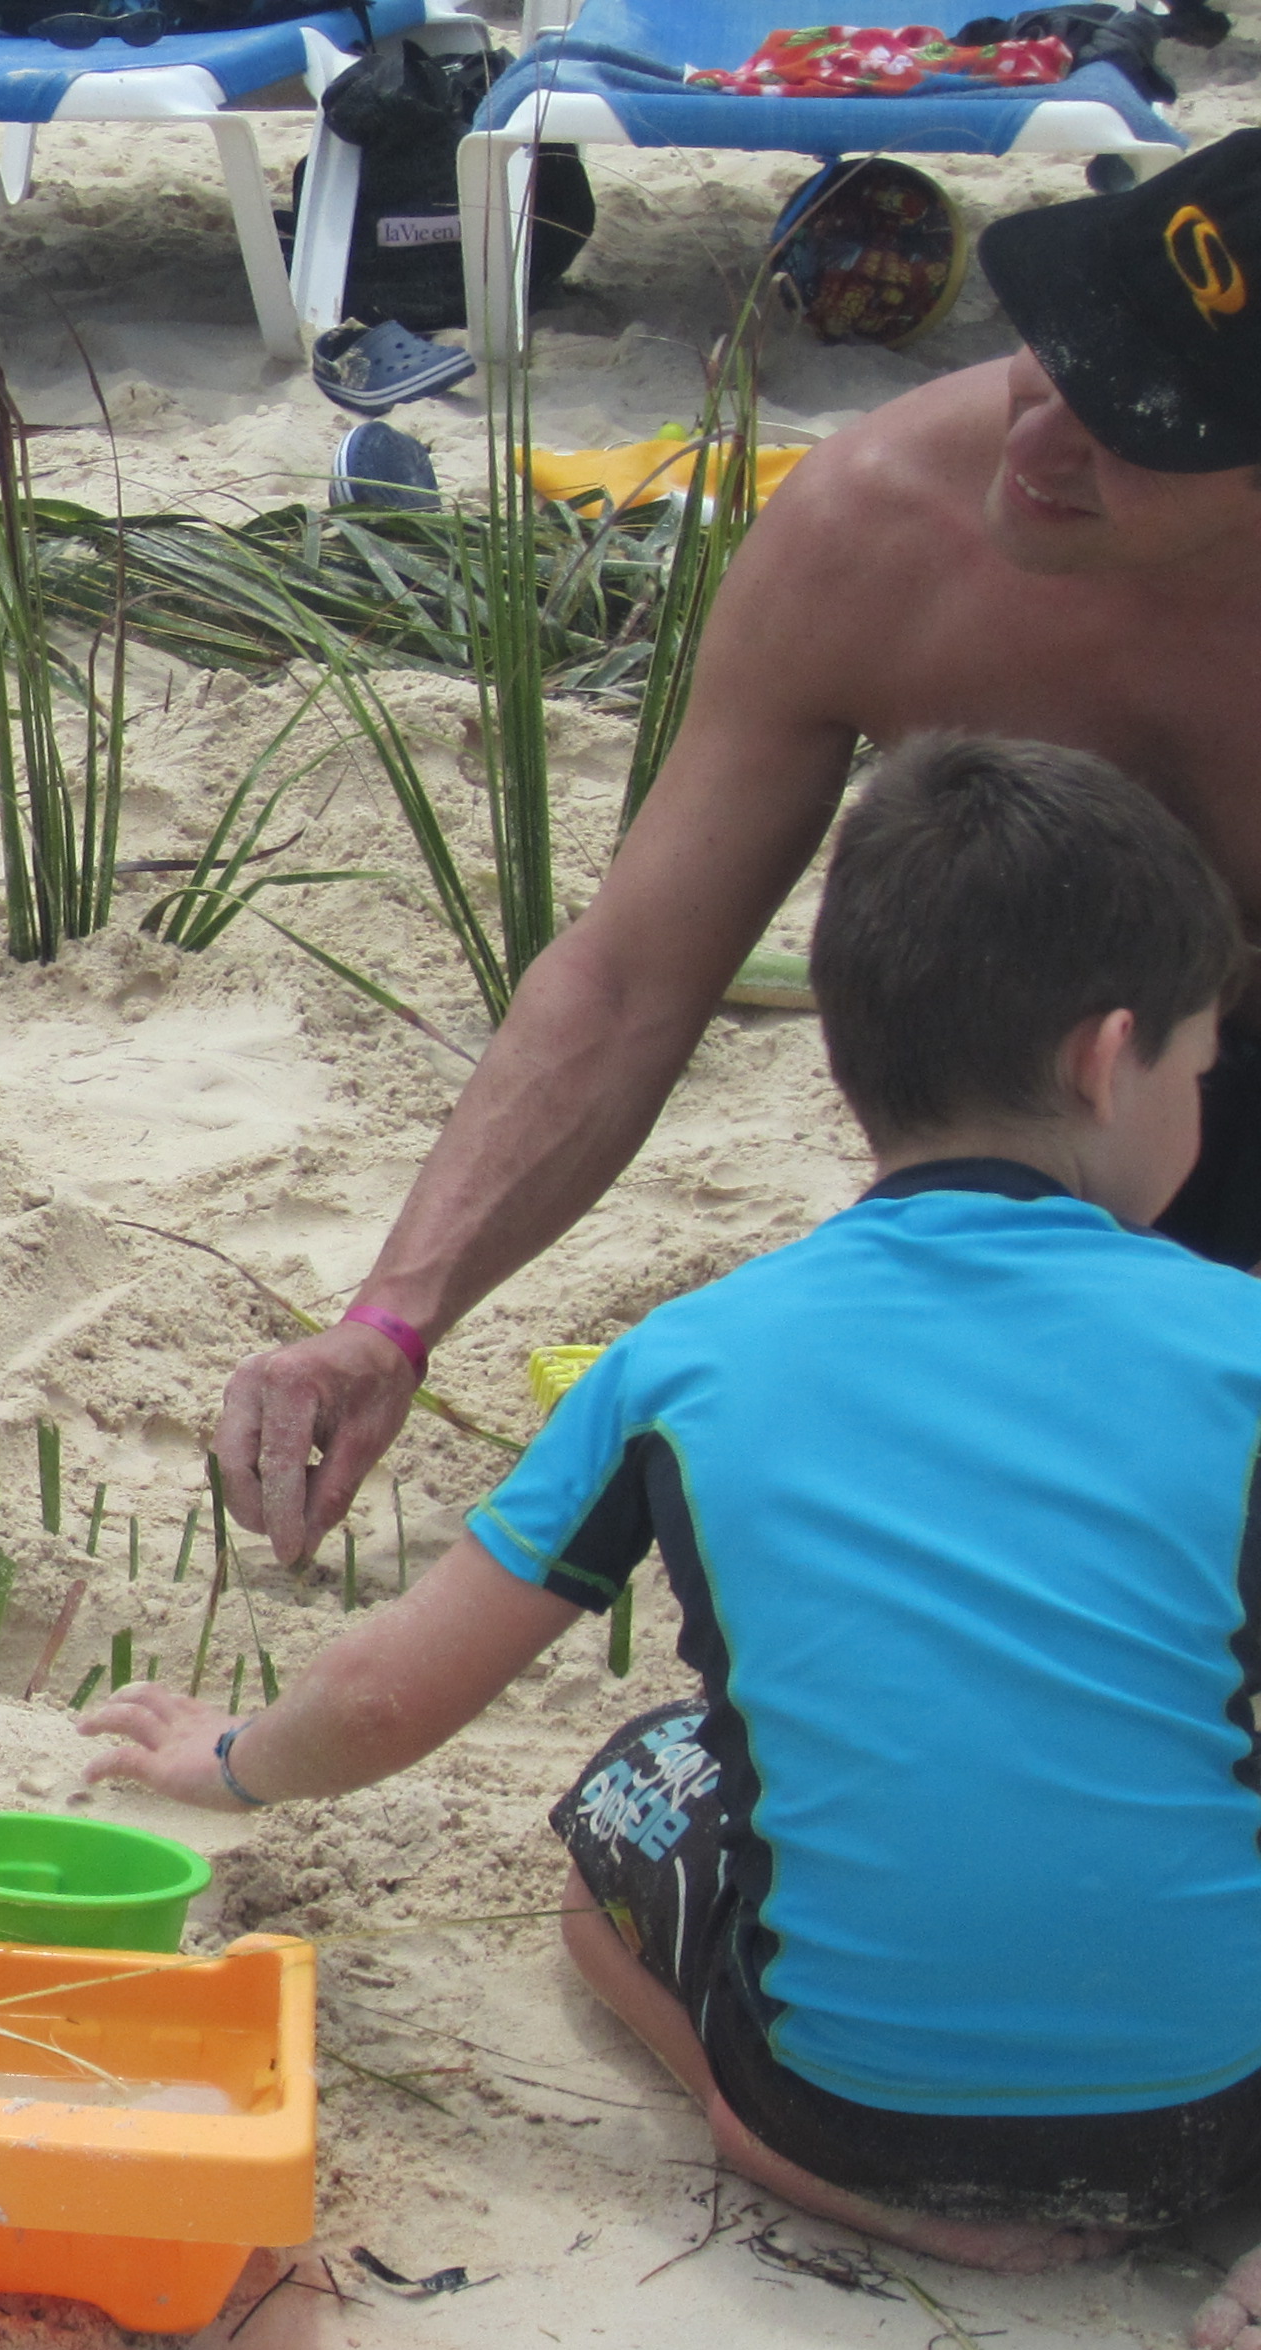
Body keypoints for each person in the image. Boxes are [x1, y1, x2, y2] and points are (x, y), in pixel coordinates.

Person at [101, 736, 1261, 2343]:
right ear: (1109, 1060)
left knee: (625, 1809)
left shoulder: (687, 1358)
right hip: (1208, 2123)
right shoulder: (1239, 1338)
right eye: (1203, 1069)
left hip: (853, 2116)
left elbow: (384, 1697)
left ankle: (758, 2126)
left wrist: (225, 1762)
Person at [212, 128, 1261, 1568]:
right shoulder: (883, 526)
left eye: (1133, 428)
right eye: (1052, 358)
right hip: (1077, 1124)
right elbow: (633, 976)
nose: (1033, 447)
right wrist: (391, 1321)